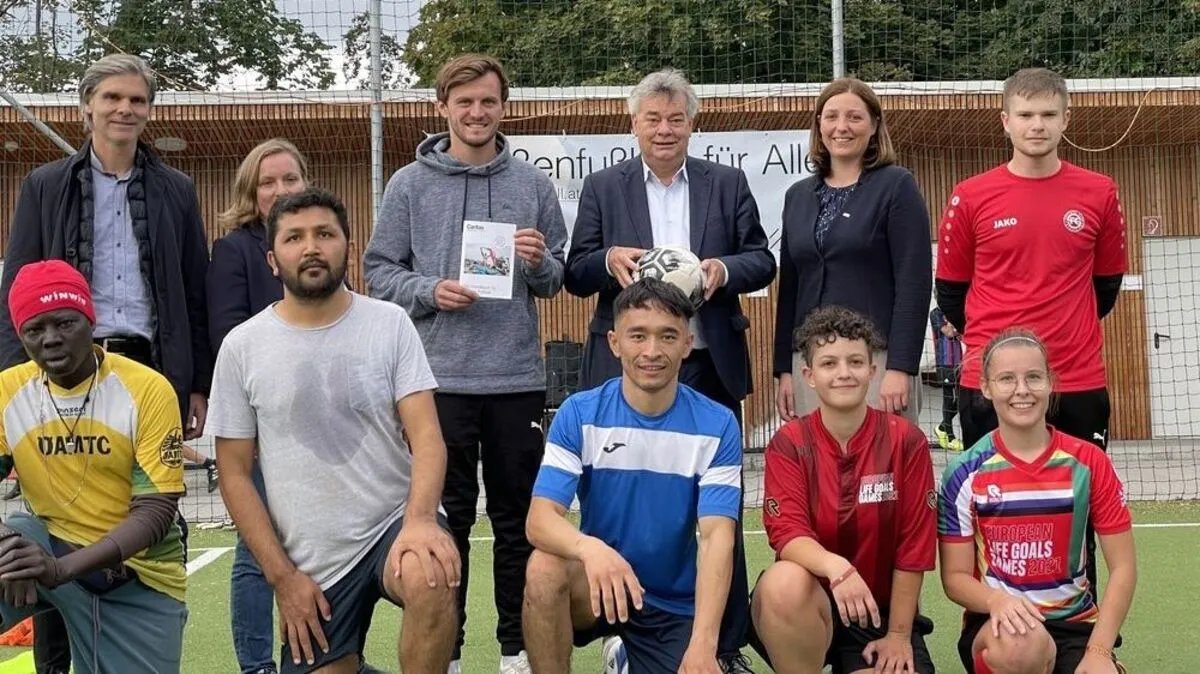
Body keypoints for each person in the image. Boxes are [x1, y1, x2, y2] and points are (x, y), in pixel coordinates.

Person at [0, 53, 212, 674]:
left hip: (147, 365)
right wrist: (19, 384)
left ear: (148, 111)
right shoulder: (45, 184)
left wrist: (196, 383)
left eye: (137, 100)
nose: (125, 109)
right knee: (55, 516)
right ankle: (54, 657)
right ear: (87, 106)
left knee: (139, 508)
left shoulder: (177, 189)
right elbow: (20, 283)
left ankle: (131, 620)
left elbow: (192, 289)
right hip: (62, 360)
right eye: (112, 98)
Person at [362, 53, 568, 674]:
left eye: (488, 102)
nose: (477, 113)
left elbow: (557, 278)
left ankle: (515, 652)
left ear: (504, 108)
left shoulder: (531, 184)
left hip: (515, 382)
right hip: (436, 383)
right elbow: (377, 272)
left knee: (516, 523)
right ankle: (446, 655)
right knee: (442, 524)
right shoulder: (408, 184)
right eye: (465, 101)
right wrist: (430, 290)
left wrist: (536, 262)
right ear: (443, 107)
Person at [564, 67, 774, 673]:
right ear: (634, 124)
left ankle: (724, 645)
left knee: (719, 512)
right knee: (618, 503)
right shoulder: (605, 187)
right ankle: (620, 631)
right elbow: (577, 271)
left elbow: (761, 257)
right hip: (631, 370)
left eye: (675, 118)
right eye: (652, 119)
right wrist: (609, 258)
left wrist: (721, 272)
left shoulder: (727, 183)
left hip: (707, 364)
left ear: (692, 123)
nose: (664, 129)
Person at [208, 188, 459, 674]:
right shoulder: (242, 347)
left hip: (393, 524)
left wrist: (422, 519)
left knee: (430, 574)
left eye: (325, 234)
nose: (311, 247)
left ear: (348, 244)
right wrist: (283, 579)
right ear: (272, 259)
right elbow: (234, 474)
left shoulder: (390, 324)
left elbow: (427, 437)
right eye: (294, 237)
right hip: (313, 562)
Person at [934, 67, 1127, 597]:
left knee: (1080, 518)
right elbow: (951, 291)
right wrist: (1001, 354)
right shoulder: (971, 195)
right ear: (1006, 121)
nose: (1036, 125)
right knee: (989, 519)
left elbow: (1105, 287)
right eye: (1025, 114)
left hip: (1078, 380)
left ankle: (1088, 634)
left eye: (1047, 114)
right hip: (988, 384)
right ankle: (988, 625)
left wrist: (1063, 333)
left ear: (1066, 119)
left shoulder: (1099, 192)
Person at [210, 139, 390, 674]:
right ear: (251, 191)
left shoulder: (325, 253)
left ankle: (341, 656)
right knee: (258, 551)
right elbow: (228, 332)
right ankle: (257, 663)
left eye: (290, 180)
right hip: (266, 420)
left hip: (320, 424)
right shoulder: (235, 250)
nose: (280, 189)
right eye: (268, 182)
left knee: (329, 550)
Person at [522, 278, 742, 674]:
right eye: (637, 336)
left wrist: (704, 646)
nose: (652, 351)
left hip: (671, 602)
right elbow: (539, 520)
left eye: (667, 336)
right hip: (595, 584)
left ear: (687, 344)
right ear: (614, 342)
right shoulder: (579, 413)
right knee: (544, 567)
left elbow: (716, 539)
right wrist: (592, 550)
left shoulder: (718, 424)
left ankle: (625, 655)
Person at [0, 260, 188, 674]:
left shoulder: (146, 389)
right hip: (45, 545)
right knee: (15, 537)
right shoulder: (8, 391)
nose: (50, 340)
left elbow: (156, 512)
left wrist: (61, 569)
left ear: (90, 319)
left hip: (135, 574)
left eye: (65, 323)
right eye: (35, 330)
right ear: (21, 335)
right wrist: (7, 549)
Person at [750, 305, 937, 674]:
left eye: (855, 361)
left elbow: (914, 545)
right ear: (809, 375)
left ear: (872, 370)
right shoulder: (789, 443)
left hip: (877, 613)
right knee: (782, 582)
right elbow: (787, 533)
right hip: (809, 605)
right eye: (829, 363)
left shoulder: (906, 442)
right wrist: (836, 567)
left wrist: (899, 634)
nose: (843, 373)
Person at [938, 329, 1136, 674]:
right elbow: (954, 577)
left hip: (1074, 625)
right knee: (1022, 646)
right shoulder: (964, 471)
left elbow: (1123, 568)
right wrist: (996, 600)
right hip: (999, 625)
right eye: (1006, 379)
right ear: (986, 387)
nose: (1022, 390)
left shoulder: (1088, 462)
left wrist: (1101, 651)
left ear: (1050, 382)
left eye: (1033, 377)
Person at [773, 77, 931, 426]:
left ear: (874, 125)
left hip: (876, 365)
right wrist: (785, 368)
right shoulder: (797, 196)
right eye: (831, 117)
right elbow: (790, 289)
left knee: (882, 472)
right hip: (812, 364)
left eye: (854, 117)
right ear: (819, 125)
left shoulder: (896, 186)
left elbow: (914, 283)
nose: (841, 127)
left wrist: (900, 367)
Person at [930, 307, 963, 451]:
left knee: (963, 397)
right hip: (945, 361)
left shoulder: (957, 311)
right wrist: (958, 329)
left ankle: (942, 427)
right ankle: (949, 436)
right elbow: (949, 332)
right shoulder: (936, 313)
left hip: (960, 361)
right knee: (948, 397)